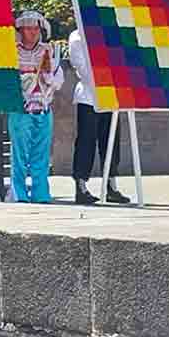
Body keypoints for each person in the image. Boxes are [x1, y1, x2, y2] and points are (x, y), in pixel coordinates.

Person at [67, 28, 130, 205]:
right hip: (89, 96)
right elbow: (81, 66)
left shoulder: (107, 32)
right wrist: (104, 80)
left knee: (111, 141)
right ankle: (81, 186)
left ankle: (111, 185)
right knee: (86, 142)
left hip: (111, 96)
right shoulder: (77, 36)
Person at [8, 10, 64, 204]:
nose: (32, 32)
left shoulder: (49, 51)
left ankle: (41, 194)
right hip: (21, 110)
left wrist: (47, 73)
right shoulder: (11, 52)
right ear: (20, 30)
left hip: (44, 108)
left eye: (35, 28)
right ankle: (18, 194)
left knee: (41, 155)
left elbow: (59, 81)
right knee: (20, 155)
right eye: (28, 28)